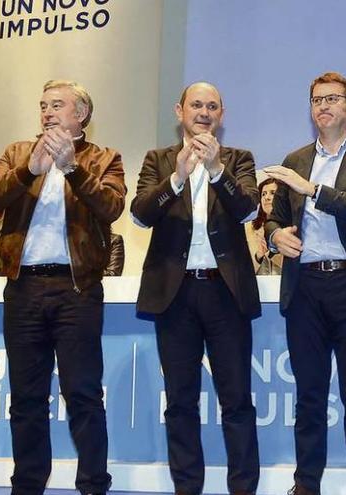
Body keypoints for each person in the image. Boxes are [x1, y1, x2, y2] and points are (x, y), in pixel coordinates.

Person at [0, 80, 125, 495]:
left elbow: (111, 207)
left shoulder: (103, 158)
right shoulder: (19, 153)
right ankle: (27, 486)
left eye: (57, 105)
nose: (46, 112)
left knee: (82, 394)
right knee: (25, 397)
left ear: (81, 114)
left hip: (75, 290)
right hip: (23, 288)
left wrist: (73, 169)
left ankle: (94, 484)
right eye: (43, 105)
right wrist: (31, 170)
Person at [265, 71, 346, 495]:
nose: (323, 106)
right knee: (309, 397)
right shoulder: (294, 160)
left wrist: (314, 190)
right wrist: (274, 235)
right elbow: (277, 216)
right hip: (305, 289)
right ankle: (306, 485)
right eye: (317, 99)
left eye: (333, 99)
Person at [130, 82, 260, 495]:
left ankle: (243, 488)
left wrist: (218, 171)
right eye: (196, 105)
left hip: (226, 293)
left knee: (236, 398)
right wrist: (177, 178)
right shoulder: (159, 159)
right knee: (181, 400)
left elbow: (249, 210)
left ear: (221, 115)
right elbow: (140, 215)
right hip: (176, 295)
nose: (204, 112)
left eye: (213, 106)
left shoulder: (238, 159)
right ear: (179, 110)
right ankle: (187, 487)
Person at [251, 177, 282, 275]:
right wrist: (258, 256)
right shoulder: (251, 229)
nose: (267, 197)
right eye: (263, 194)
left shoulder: (292, 227)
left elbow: (293, 267)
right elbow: (244, 271)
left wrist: (272, 251)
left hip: (284, 287)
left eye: (272, 193)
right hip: (259, 287)